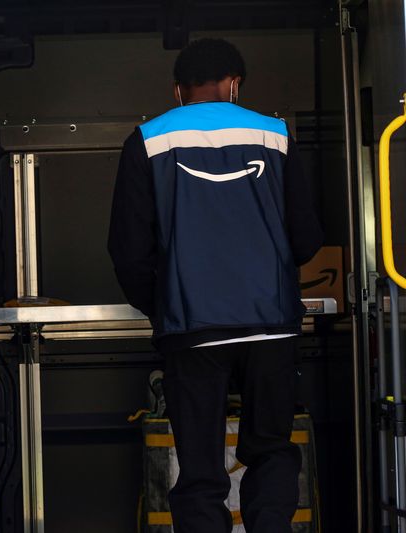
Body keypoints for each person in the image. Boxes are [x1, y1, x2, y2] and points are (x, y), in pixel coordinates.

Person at [107, 38, 323, 533]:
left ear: (178, 89)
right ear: (234, 83)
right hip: (271, 325)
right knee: (270, 448)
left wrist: (163, 303)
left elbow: (128, 249)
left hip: (192, 328)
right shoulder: (275, 135)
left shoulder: (147, 139)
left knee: (200, 465)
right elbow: (307, 237)